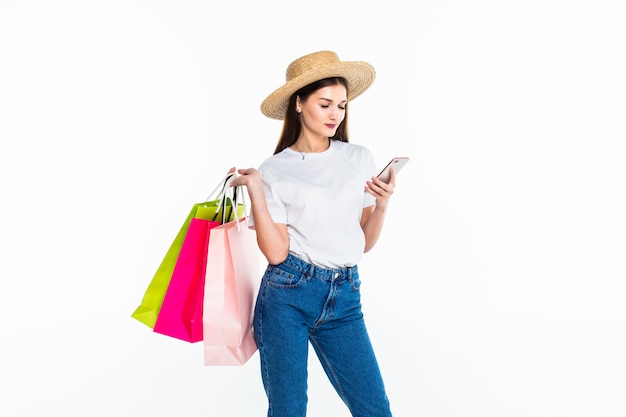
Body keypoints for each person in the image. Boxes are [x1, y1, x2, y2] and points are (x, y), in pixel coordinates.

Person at [229, 50, 397, 417]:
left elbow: (363, 242)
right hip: (288, 296)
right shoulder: (275, 169)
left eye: (341, 105)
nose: (335, 114)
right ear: (299, 104)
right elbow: (276, 254)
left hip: (346, 297)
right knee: (289, 410)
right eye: (325, 104)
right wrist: (256, 191)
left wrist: (382, 205)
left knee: (374, 408)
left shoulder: (358, 158)